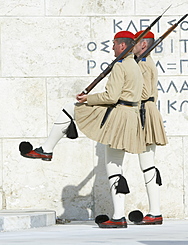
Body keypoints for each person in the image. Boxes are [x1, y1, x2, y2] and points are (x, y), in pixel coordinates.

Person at [19, 31, 145, 228]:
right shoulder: (135, 65)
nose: (111, 47)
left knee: (72, 108)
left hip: (119, 115)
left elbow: (111, 97)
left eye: (113, 44)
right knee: (115, 167)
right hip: (130, 117)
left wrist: (88, 98)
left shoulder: (121, 66)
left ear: (122, 46)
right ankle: (119, 216)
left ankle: (47, 149)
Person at [132, 30, 168, 225]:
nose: (132, 46)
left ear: (144, 45)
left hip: (144, 111)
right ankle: (155, 211)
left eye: (135, 43)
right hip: (148, 110)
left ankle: (155, 212)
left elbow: (143, 91)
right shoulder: (144, 63)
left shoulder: (143, 64)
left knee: (147, 164)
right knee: (147, 163)